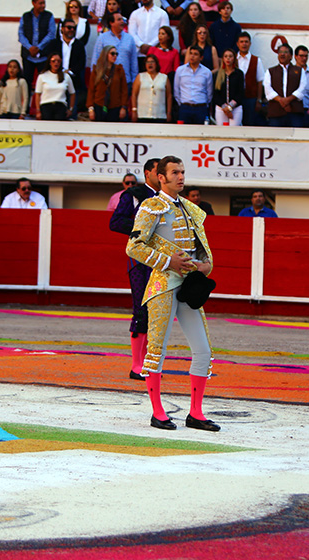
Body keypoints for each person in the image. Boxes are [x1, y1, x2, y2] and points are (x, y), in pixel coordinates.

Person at [126, 155, 219, 432]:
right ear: (161, 177)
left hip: (189, 284)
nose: (181, 177)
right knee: (157, 350)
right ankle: (157, 412)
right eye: (175, 172)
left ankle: (196, 413)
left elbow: (203, 251)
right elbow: (133, 247)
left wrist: (206, 266)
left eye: (183, 172)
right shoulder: (151, 206)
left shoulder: (191, 208)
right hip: (162, 285)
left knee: (203, 350)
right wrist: (169, 262)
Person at [109, 158, 160, 380]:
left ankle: (149, 363)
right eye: (159, 171)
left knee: (158, 312)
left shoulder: (169, 198)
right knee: (141, 308)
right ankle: (137, 366)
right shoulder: (135, 194)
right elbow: (116, 222)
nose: (162, 176)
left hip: (162, 260)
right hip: (140, 260)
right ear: (147, 173)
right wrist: (143, 229)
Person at [264, 43, 307, 128]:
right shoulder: (271, 71)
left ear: (291, 56)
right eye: (280, 52)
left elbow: (302, 88)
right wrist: (281, 100)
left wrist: (288, 100)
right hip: (276, 113)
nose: (282, 54)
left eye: (285, 52)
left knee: (296, 138)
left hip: (295, 112)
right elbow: (268, 89)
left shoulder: (299, 71)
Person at [91, 11, 138, 87]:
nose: (122, 22)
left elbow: (133, 63)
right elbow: (96, 59)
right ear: (111, 23)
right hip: (107, 81)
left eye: (122, 19)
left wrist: (134, 81)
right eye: (119, 19)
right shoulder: (102, 38)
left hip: (126, 82)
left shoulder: (129, 39)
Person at [19, 0, 58, 86]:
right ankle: (27, 99)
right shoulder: (25, 16)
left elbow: (51, 34)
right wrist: (29, 47)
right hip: (28, 55)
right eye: (40, 3)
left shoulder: (49, 16)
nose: (43, 6)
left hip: (44, 56)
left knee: (45, 82)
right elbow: (21, 34)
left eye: (44, 3)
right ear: (33, 3)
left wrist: (38, 48)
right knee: (27, 82)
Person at [88, 46, 129, 122]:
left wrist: (123, 107)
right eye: (112, 54)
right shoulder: (97, 70)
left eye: (116, 54)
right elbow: (91, 90)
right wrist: (91, 109)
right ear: (106, 54)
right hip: (99, 105)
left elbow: (124, 90)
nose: (115, 56)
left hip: (115, 106)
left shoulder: (119, 70)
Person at [175, 46, 214, 124]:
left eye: (195, 54)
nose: (192, 56)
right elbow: (176, 90)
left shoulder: (207, 72)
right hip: (185, 107)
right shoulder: (180, 70)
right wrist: (182, 103)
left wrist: (203, 104)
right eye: (191, 53)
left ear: (201, 58)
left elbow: (209, 92)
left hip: (201, 108)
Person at [59, 19, 88, 117]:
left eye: (74, 28)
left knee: (72, 112)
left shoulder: (79, 45)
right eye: (69, 27)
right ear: (62, 29)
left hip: (74, 81)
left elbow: (81, 63)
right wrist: (62, 72)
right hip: (57, 81)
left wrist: (69, 72)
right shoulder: (54, 44)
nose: (71, 30)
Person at [35, 53, 76, 120]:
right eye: (53, 61)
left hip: (60, 106)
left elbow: (72, 93)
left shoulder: (66, 76)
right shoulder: (42, 76)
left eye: (58, 61)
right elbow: (37, 94)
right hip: (46, 106)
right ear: (50, 62)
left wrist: (70, 109)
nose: (56, 63)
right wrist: (38, 110)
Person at [236, 32, 265, 126]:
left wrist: (259, 100)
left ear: (250, 44)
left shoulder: (256, 60)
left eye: (246, 42)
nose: (244, 44)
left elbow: (260, 81)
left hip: (251, 99)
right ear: (237, 44)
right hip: (235, 99)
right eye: (241, 42)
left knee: (249, 124)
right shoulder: (233, 59)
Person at [132, 54, 171, 123]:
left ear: (156, 64)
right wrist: (134, 110)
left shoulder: (164, 78)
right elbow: (134, 94)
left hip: (159, 115)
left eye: (152, 62)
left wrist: (168, 112)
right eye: (148, 62)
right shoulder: (140, 77)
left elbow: (169, 96)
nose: (150, 64)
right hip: (142, 114)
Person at [213, 48, 244, 126]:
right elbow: (215, 93)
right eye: (226, 56)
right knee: (221, 131)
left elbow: (240, 92)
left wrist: (230, 107)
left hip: (235, 108)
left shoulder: (239, 74)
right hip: (221, 108)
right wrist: (225, 108)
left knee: (234, 130)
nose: (228, 58)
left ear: (234, 58)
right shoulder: (218, 74)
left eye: (230, 56)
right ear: (223, 58)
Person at [293, 45, 309, 120]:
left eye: (306, 56)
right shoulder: (290, 72)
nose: (304, 58)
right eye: (301, 56)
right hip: (293, 111)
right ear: (295, 56)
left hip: (308, 111)